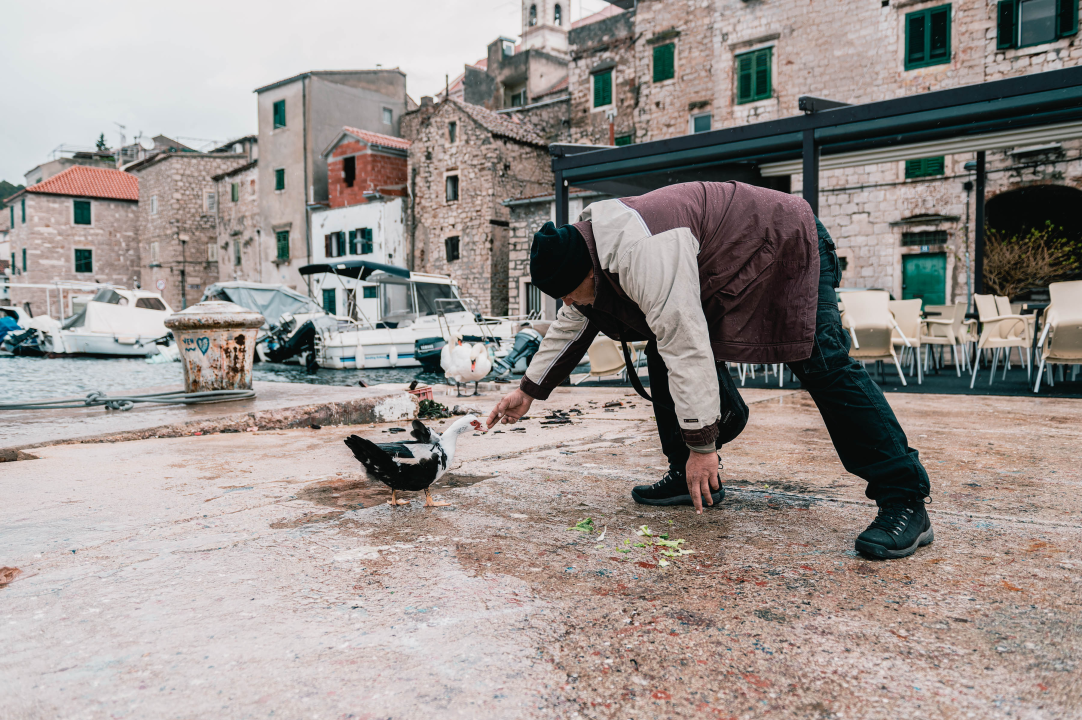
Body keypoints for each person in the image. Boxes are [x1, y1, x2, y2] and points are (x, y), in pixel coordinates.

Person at [486, 181, 933, 559]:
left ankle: (904, 500)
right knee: (661, 346)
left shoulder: (643, 250)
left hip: (788, 241)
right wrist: (527, 391)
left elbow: (685, 342)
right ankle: (689, 472)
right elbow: (574, 321)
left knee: (824, 365)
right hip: (736, 257)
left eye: (569, 292)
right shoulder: (590, 248)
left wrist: (703, 445)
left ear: (589, 270)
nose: (567, 301)